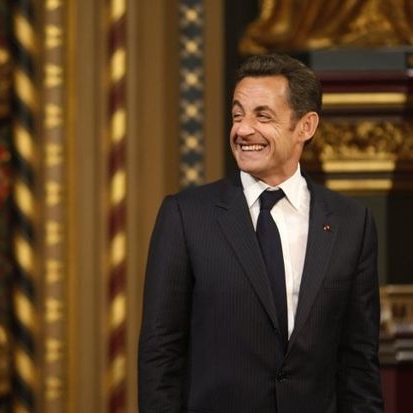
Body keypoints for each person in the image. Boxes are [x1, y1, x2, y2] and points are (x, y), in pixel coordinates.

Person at [138, 54, 383, 412]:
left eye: (262, 116)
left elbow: (359, 362)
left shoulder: (351, 223)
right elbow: (161, 353)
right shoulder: (186, 216)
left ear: (306, 126)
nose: (243, 129)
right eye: (238, 115)